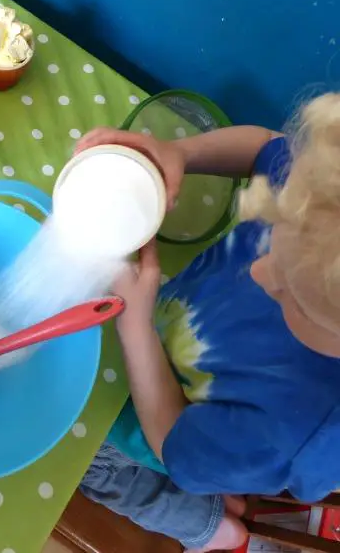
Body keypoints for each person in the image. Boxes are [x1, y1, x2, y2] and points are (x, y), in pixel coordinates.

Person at [74, 93, 340, 552]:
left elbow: (171, 442)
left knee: (93, 465)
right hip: (204, 403)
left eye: (290, 291)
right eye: (270, 237)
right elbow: (264, 148)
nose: (259, 272)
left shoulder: (297, 429)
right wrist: (181, 153)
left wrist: (136, 330)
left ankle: (208, 527)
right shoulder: (321, 195)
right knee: (218, 459)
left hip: (163, 429)